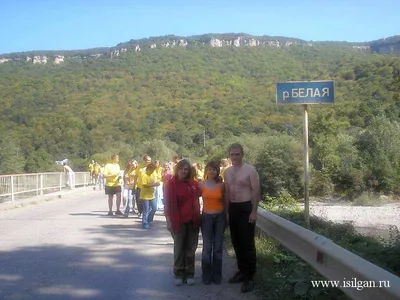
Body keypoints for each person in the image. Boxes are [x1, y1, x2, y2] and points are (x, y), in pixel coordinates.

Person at [224, 143, 260, 293]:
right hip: (233, 207)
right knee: (236, 241)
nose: (234, 157)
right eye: (232, 154)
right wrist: (226, 212)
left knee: (247, 243)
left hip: (246, 208)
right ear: (229, 155)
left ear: (242, 154)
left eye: (237, 154)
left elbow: (256, 191)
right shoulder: (227, 172)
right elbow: (226, 192)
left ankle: (249, 277)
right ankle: (241, 271)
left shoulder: (250, 170)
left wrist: (254, 211)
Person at [164, 159, 201, 286]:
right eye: (181, 169)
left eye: (186, 169)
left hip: (193, 220)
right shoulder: (171, 184)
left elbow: (206, 192)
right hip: (178, 221)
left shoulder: (194, 184)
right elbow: (167, 204)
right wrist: (168, 220)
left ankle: (190, 274)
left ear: (189, 170)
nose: (183, 171)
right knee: (179, 248)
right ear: (177, 170)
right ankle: (179, 274)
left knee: (191, 249)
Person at [199, 160, 225, 285]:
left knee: (218, 248)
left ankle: (217, 274)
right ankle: (206, 274)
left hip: (220, 217)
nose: (211, 171)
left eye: (214, 169)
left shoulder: (222, 186)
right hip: (206, 217)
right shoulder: (201, 184)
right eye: (209, 169)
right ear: (206, 171)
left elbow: (226, 201)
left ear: (217, 171)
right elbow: (194, 200)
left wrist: (228, 216)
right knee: (207, 247)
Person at [137, 162, 159, 229]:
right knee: (146, 210)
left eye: (153, 170)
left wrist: (156, 183)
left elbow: (155, 181)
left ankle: (149, 220)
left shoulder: (152, 174)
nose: (153, 171)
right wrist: (154, 184)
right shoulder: (144, 175)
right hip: (145, 195)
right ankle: (145, 223)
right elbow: (144, 185)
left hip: (152, 195)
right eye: (152, 169)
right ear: (148, 169)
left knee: (154, 208)